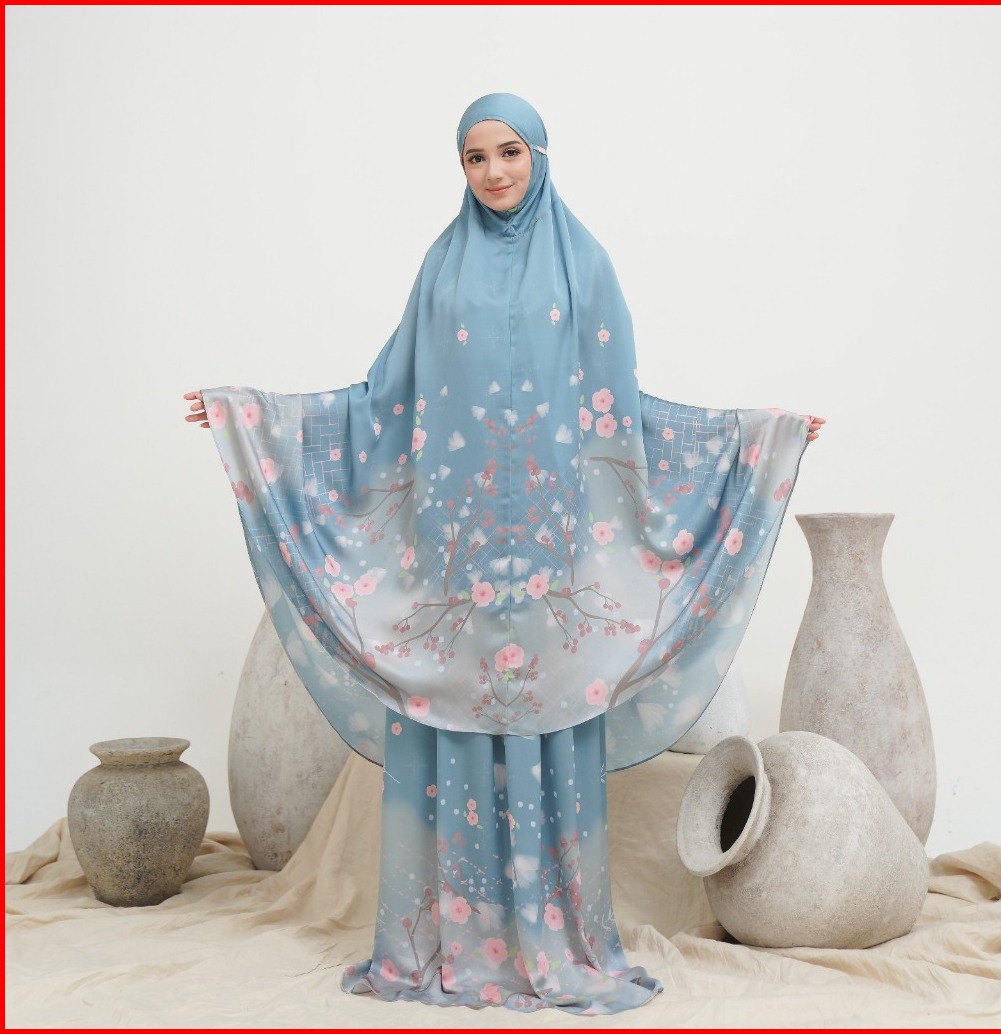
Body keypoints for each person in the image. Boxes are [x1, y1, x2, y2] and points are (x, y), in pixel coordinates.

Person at [185, 93, 823, 1014]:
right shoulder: (441, 269)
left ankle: (556, 939)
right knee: (453, 725)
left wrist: (762, 437)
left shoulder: (585, 266)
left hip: (555, 564)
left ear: (541, 155)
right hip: (453, 564)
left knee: (545, 726)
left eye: (509, 152)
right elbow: (381, 402)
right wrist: (250, 415)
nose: (493, 173)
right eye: (475, 157)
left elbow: (624, 413)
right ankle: (447, 941)